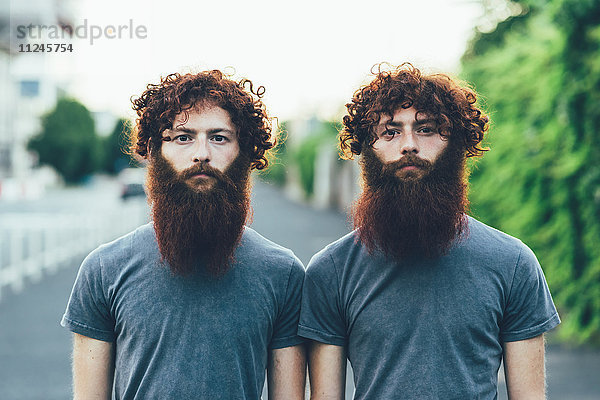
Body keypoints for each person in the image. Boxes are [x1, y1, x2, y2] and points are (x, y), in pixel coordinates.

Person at [299, 63, 560, 399]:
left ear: (456, 143)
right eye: (390, 132)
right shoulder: (331, 271)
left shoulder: (513, 264)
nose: (409, 145)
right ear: (366, 149)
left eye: (426, 129)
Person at [61, 70, 306, 399]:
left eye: (219, 137)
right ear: (155, 150)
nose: (201, 153)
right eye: (182, 137)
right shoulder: (104, 270)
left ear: (244, 152)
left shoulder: (283, 273)